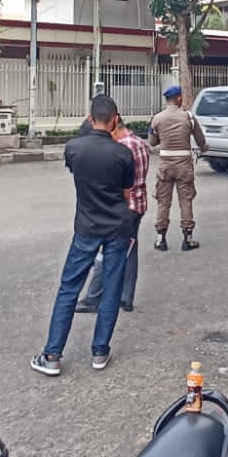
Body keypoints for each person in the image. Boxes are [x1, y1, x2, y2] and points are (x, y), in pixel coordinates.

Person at [32, 95, 137, 376]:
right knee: (112, 288)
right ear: (115, 118)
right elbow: (126, 195)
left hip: (87, 226)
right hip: (116, 227)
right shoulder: (123, 154)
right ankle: (100, 351)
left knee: (69, 287)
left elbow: (77, 175)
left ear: (90, 119)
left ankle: (52, 354)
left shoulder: (74, 149)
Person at [78, 116, 151, 314]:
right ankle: (126, 297)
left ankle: (93, 297)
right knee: (129, 250)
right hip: (139, 205)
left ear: (114, 129)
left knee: (105, 250)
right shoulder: (140, 142)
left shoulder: (121, 148)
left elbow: (116, 183)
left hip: (123, 207)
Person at [149, 85, 207, 250]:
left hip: (165, 166)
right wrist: (204, 148)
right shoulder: (188, 117)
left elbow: (153, 142)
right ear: (179, 98)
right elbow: (200, 140)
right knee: (186, 201)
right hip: (184, 166)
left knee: (163, 202)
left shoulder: (157, 118)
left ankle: (161, 239)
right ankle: (187, 239)